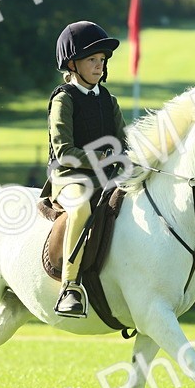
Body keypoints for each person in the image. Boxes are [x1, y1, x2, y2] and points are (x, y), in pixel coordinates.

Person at [46, 21, 126, 317]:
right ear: (72, 63)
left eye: (102, 60)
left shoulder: (109, 100)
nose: (99, 66)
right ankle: (70, 286)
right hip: (70, 178)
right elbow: (64, 152)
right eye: (92, 60)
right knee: (81, 209)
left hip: (107, 178)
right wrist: (104, 157)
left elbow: (123, 144)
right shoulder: (63, 99)